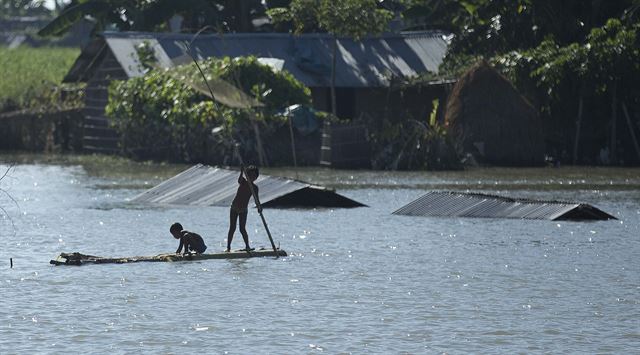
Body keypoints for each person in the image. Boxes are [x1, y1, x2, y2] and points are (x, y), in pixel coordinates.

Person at [226, 165, 261, 252]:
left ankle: (247, 246)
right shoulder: (243, 182)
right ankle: (228, 247)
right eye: (250, 175)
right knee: (232, 228)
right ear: (247, 175)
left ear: (256, 177)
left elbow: (257, 200)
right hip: (234, 207)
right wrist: (241, 171)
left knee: (242, 229)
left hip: (243, 210)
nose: (252, 177)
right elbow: (239, 180)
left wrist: (259, 207)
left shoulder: (255, 188)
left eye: (254, 176)